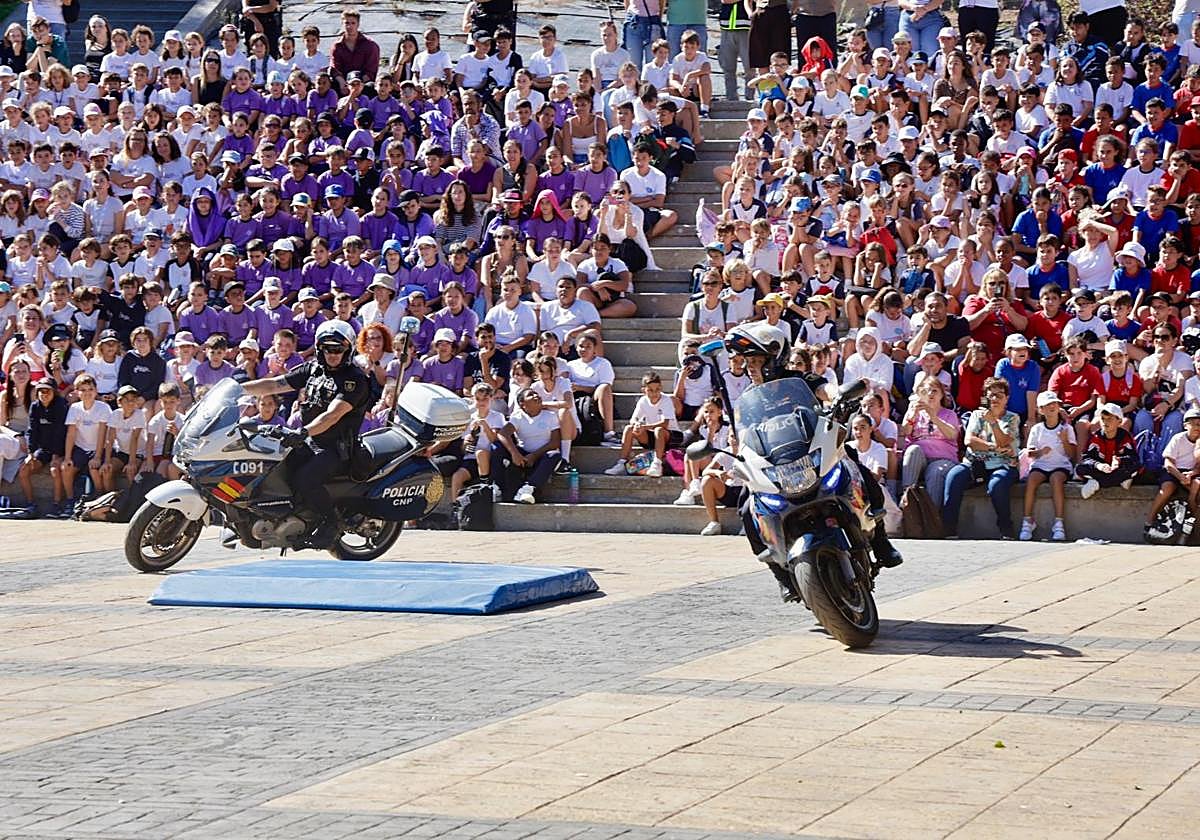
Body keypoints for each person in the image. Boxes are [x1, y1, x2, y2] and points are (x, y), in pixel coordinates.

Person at [241, 320, 370, 548]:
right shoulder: (313, 369)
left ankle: (331, 523)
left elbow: (332, 415)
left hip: (336, 447)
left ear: (347, 350)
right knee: (272, 463)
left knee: (305, 479)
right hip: (309, 439)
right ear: (320, 349)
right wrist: (237, 389)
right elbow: (274, 384)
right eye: (327, 348)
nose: (332, 354)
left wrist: (302, 432)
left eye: (338, 349)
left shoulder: (354, 380)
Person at [943, 376, 1021, 538]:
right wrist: (993, 447)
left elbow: (1005, 440)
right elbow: (969, 441)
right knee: (954, 476)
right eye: (990, 395)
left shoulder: (1012, 418)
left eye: (999, 395)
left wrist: (993, 422)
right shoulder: (977, 415)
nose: (994, 399)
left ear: (1006, 398)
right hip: (975, 463)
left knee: (997, 485)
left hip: (1003, 464)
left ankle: (1006, 529)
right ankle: (949, 529)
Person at [495, 388, 562, 504]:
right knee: (496, 447)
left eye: (536, 393)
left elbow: (555, 442)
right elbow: (502, 434)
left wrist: (534, 456)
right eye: (531, 395)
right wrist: (515, 454)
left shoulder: (550, 415)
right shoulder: (518, 417)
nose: (536, 396)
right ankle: (495, 486)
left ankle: (528, 488)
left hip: (540, 457)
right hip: (522, 457)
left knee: (554, 455)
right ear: (522, 404)